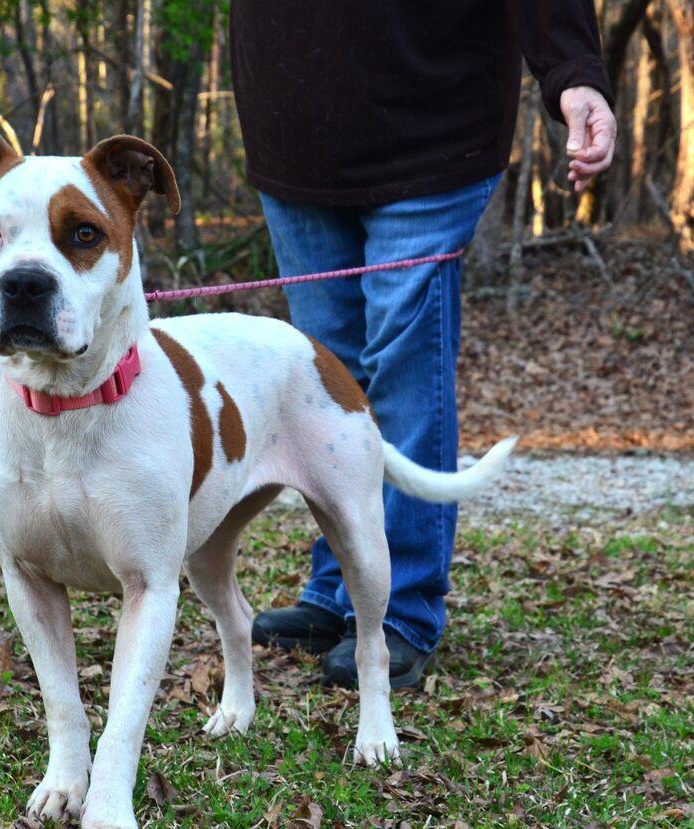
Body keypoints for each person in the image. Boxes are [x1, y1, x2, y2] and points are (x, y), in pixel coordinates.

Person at [230, 2, 616, 689]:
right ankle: (340, 585)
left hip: (431, 127)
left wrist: (573, 73)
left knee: (402, 376)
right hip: (293, 131)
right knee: (324, 385)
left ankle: (398, 611)